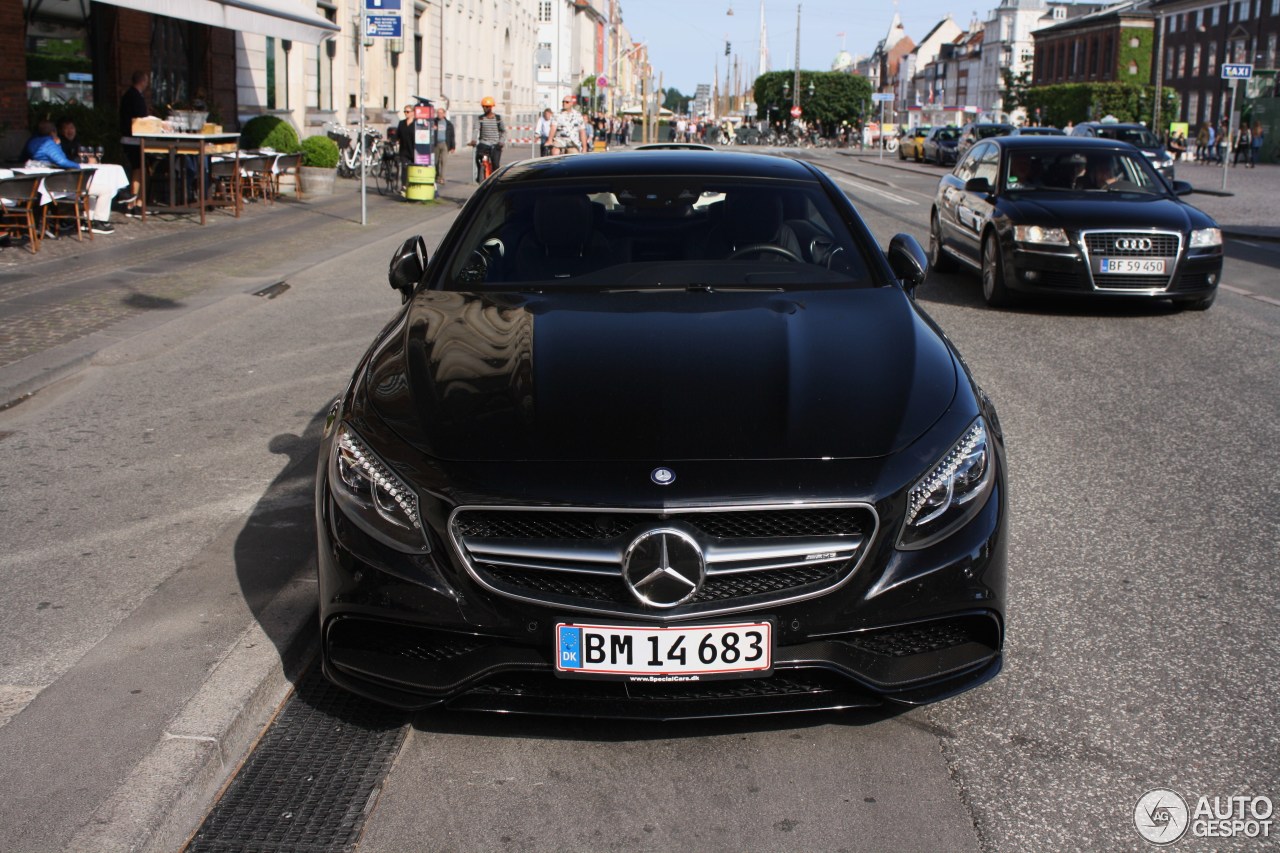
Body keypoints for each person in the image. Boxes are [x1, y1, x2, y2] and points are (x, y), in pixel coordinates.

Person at [22, 120, 118, 233]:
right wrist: (78, 166)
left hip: (49, 182)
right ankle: (99, 221)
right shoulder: (49, 143)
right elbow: (62, 161)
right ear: (53, 132)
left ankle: (89, 220)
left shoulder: (32, 142)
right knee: (106, 189)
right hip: (61, 183)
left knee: (92, 192)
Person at [119, 70, 149, 215]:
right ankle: (135, 203)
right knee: (139, 169)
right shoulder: (136, 97)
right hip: (134, 140)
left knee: (138, 168)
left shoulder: (128, 95)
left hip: (129, 138)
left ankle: (135, 202)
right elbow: (141, 119)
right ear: (143, 81)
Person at [468, 96, 505, 182]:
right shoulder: (480, 118)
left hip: (495, 144)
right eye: (483, 106)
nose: (485, 108)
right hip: (483, 143)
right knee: (477, 158)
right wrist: (474, 140)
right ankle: (479, 176)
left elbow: (503, 131)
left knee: (495, 165)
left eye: (487, 106)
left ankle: (496, 180)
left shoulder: (498, 119)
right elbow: (476, 129)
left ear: (491, 107)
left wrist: (501, 141)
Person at [432, 106, 455, 187]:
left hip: (445, 143)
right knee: (436, 161)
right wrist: (433, 129)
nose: (439, 114)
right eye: (438, 113)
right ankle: (437, 176)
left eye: (441, 113)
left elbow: (452, 136)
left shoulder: (448, 124)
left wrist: (453, 147)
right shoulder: (433, 122)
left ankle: (442, 178)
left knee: (444, 161)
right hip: (436, 144)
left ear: (444, 114)